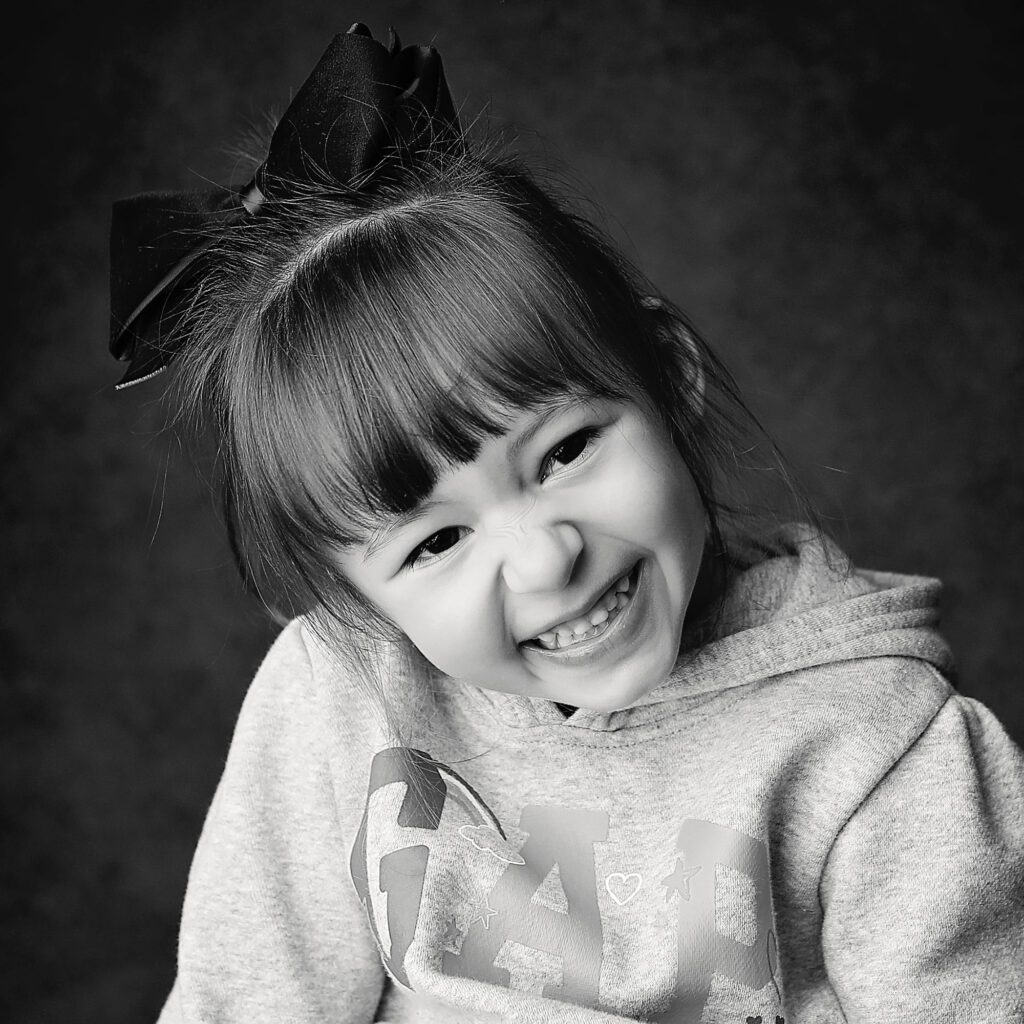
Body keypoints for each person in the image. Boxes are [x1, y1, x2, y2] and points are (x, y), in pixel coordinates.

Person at [109, 23, 1024, 1024]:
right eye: (434, 542)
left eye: (563, 453)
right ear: (350, 596)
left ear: (669, 375)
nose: (546, 557)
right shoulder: (339, 699)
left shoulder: (879, 748)